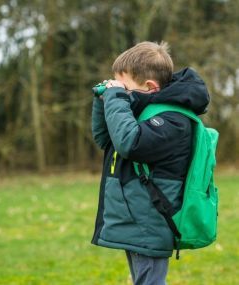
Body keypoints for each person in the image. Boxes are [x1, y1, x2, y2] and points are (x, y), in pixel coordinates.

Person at [91, 41, 210, 285]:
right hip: (135, 220)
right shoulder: (143, 112)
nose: (120, 91)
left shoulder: (173, 120)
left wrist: (116, 98)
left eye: (125, 86)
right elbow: (106, 139)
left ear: (150, 87)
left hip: (151, 222)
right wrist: (103, 100)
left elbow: (129, 143)